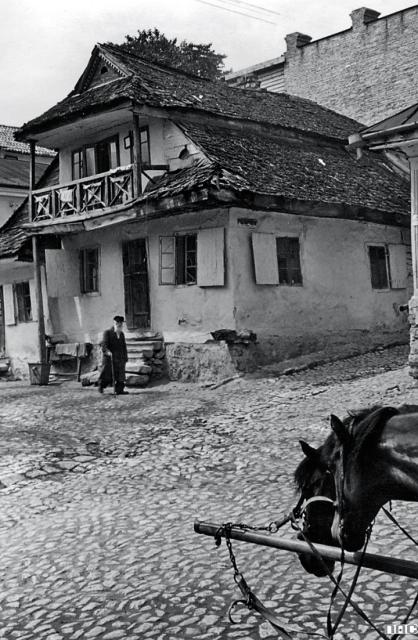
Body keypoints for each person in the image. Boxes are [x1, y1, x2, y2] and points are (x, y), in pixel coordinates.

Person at [97, 315, 128, 395]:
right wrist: (107, 351)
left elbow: (124, 346)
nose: (119, 325)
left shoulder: (121, 334)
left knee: (121, 375)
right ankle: (101, 386)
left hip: (119, 358)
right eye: (118, 323)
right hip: (109, 357)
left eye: (121, 324)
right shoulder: (107, 332)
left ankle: (119, 390)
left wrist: (125, 357)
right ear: (114, 323)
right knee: (107, 374)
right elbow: (104, 345)